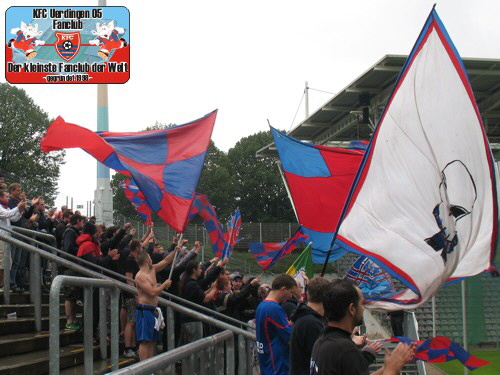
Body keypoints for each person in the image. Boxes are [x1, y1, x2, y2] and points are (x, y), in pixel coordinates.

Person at [310, 279, 416, 375]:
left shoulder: (322, 341)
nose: (363, 308)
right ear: (352, 309)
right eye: (361, 303)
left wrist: (386, 368)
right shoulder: (345, 350)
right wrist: (392, 369)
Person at [134, 249, 177, 361]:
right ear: (147, 260)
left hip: (153, 310)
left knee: (152, 340)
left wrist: (177, 249)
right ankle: (144, 368)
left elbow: (166, 261)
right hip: (145, 311)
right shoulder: (140, 276)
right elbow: (152, 292)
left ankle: (149, 366)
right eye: (150, 257)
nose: (151, 259)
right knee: (145, 341)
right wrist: (163, 285)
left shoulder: (152, 269)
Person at [255, 274, 298, 375]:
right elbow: (290, 336)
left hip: (266, 363)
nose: (291, 296)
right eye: (291, 292)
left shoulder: (262, 305)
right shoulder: (274, 309)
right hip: (276, 367)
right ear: (283, 289)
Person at [290, 276, 330, 375]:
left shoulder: (303, 317)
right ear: (327, 297)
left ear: (308, 294)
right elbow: (321, 359)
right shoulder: (312, 324)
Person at [0, 189, 26, 291]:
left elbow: (13, 218)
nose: (8, 198)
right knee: (2, 262)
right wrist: (17, 207)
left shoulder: (4, 207)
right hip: (1, 237)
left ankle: (3, 284)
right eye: (6, 196)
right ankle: (1, 285)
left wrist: (20, 211)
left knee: (7, 262)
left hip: (6, 238)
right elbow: (7, 214)